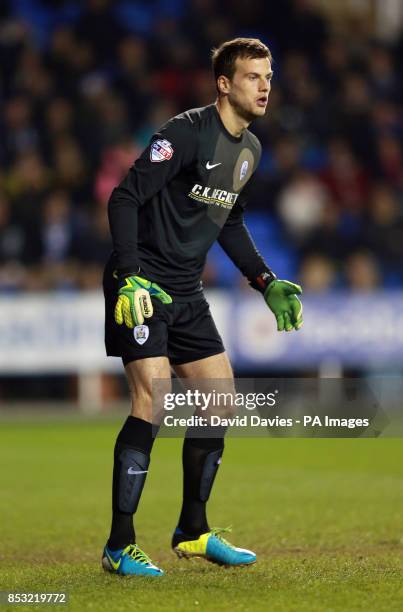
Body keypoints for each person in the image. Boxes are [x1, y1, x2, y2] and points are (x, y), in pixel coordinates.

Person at [102, 37, 303, 577]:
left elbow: (228, 221)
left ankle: (193, 530)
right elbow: (123, 197)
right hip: (143, 285)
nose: (265, 85)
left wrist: (265, 281)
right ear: (224, 84)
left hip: (186, 291)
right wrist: (128, 278)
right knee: (153, 400)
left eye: (269, 75)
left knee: (220, 402)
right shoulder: (184, 133)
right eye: (253, 76)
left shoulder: (250, 151)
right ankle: (119, 544)